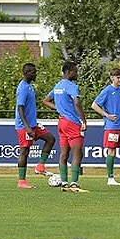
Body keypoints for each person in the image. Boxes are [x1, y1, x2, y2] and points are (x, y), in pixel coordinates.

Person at [43, 61, 88, 193]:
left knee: (64, 152)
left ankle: (64, 182)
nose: (77, 73)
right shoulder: (71, 86)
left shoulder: (58, 86)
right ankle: (74, 182)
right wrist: (83, 120)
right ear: (69, 71)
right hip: (72, 122)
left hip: (61, 122)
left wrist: (60, 109)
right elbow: (77, 101)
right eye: (75, 71)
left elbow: (45, 101)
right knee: (77, 152)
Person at [14, 63, 56, 188]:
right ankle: (22, 181)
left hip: (33, 124)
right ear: (26, 73)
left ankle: (40, 166)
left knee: (50, 139)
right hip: (24, 126)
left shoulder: (29, 86)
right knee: (24, 151)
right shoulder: (22, 88)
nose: (35, 74)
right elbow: (20, 108)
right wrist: (27, 127)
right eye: (33, 72)